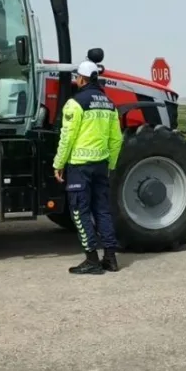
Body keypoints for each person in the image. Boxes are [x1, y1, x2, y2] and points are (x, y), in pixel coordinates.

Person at [53, 60, 124, 274]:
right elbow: (116, 140)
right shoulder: (109, 104)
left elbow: (67, 137)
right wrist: (111, 164)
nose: (76, 80)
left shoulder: (75, 104)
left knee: (80, 212)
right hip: (101, 165)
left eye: (77, 77)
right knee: (102, 210)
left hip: (79, 167)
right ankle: (110, 258)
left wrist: (59, 163)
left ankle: (92, 260)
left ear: (82, 79)